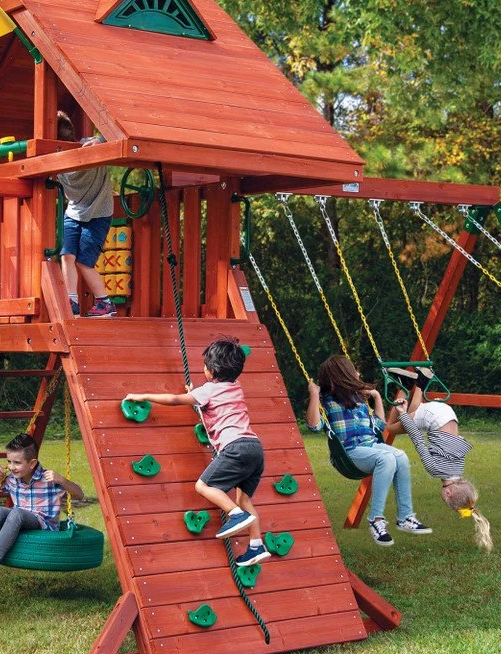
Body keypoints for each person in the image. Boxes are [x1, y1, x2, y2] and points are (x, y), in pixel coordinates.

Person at [124, 338, 270, 568]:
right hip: (255, 449)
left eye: (205, 366)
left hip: (235, 448)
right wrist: (197, 394)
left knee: (203, 486)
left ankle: (235, 515)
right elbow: (212, 408)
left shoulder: (209, 390)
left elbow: (174, 400)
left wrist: (142, 395)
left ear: (211, 371)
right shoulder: (235, 387)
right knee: (244, 498)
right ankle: (256, 545)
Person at [305, 354, 429, 547]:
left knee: (401, 457)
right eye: (352, 371)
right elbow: (314, 425)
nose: (357, 373)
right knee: (387, 458)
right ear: (341, 375)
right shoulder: (326, 401)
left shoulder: (359, 400)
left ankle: (405, 517)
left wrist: (377, 397)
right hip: (349, 453)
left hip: (372, 446)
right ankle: (376, 519)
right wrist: (314, 394)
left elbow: (380, 426)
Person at [0, 433, 85, 579]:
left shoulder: (49, 479)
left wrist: (62, 480)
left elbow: (79, 494)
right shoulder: (12, 479)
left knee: (16, 513)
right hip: (21, 518)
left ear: (32, 463)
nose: (11, 467)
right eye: (9, 461)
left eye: (17, 463)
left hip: (44, 523)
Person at [385, 381, 492, 552]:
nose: (442, 497)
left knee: (415, 411)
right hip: (433, 415)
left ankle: (416, 381)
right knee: (390, 427)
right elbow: (418, 439)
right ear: (449, 492)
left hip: (447, 413)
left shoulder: (458, 468)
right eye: (445, 500)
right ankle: (409, 386)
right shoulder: (435, 470)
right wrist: (402, 414)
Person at [55, 111, 117, 317]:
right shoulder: (54, 159)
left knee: (83, 261)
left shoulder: (89, 146)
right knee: (67, 255)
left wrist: (100, 140)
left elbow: (119, 136)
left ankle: (105, 303)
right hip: (74, 212)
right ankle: (71, 301)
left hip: (99, 212)